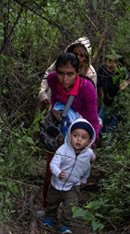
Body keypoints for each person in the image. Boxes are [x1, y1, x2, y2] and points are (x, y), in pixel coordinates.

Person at [38, 52, 100, 218]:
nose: (64, 79)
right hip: (60, 130)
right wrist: (56, 112)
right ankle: (47, 209)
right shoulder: (52, 79)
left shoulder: (87, 88)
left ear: (78, 72)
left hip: (79, 134)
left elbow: (93, 118)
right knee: (52, 168)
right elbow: (54, 100)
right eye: (61, 73)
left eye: (70, 74)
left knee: (72, 175)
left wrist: (90, 146)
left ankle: (67, 215)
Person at [42, 119, 96, 234]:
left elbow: (87, 167)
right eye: (75, 135)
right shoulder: (63, 149)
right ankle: (49, 218)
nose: (79, 139)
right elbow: (54, 164)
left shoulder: (89, 154)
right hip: (57, 182)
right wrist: (58, 173)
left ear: (89, 142)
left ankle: (65, 225)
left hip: (73, 184)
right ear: (70, 135)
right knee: (52, 201)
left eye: (83, 137)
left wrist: (83, 180)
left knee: (70, 206)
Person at [37, 37, 97, 108]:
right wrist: (42, 92)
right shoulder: (61, 63)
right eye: (75, 53)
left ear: (86, 58)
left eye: (81, 55)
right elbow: (48, 74)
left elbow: (91, 97)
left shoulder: (90, 74)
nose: (77, 57)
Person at [97, 53, 130, 134]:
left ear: (119, 64)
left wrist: (125, 89)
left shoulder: (124, 74)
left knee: (111, 132)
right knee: (97, 128)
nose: (110, 65)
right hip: (107, 104)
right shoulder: (102, 68)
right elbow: (97, 83)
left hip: (120, 108)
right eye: (109, 61)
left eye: (115, 62)